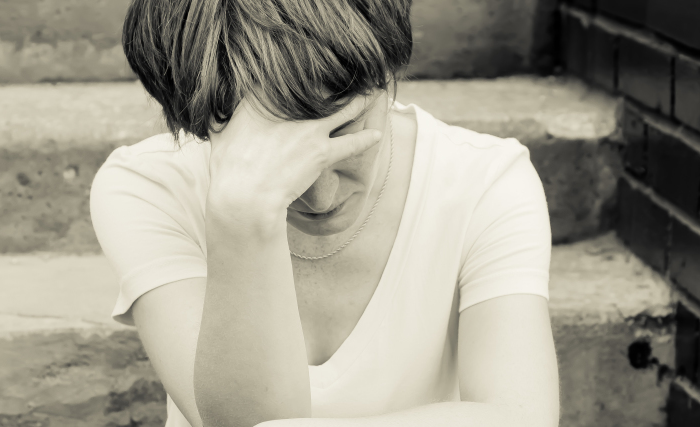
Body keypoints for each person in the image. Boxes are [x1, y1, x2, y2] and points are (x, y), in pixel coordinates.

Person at [89, 1, 560, 426]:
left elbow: (520, 416)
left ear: (389, 76)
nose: (320, 195)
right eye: (273, 152)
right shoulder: (149, 186)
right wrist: (242, 214)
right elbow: (242, 422)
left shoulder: (481, 181)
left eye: (345, 132)